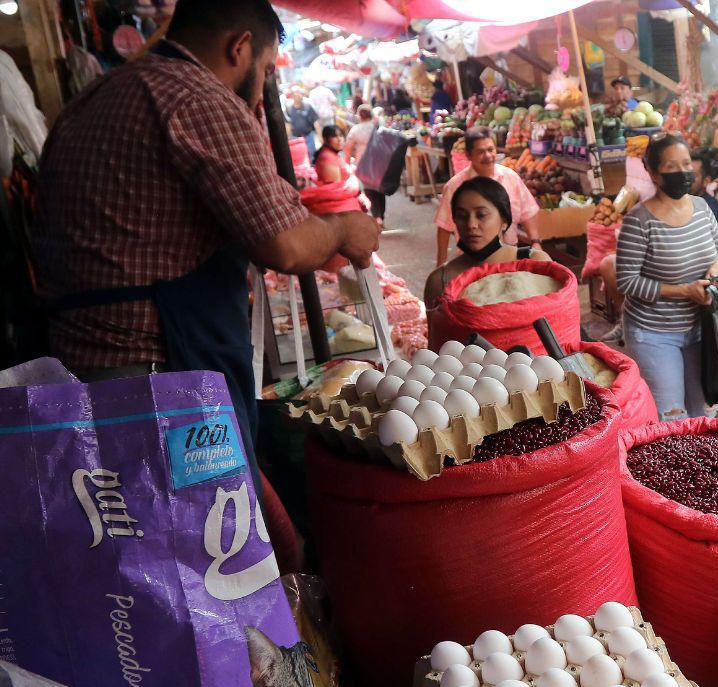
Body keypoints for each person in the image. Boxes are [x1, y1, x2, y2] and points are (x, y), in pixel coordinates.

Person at [32, 0, 381, 459]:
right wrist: (343, 229)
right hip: (156, 376)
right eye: (266, 68)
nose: (263, 87)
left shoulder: (98, 94)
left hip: (76, 371)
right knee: (198, 525)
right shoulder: (199, 99)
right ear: (240, 48)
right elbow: (289, 246)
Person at [615, 132, 718, 421]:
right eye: (671, 167)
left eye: (686, 164)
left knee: (703, 413)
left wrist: (717, 270)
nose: (683, 172)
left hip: (702, 327)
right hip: (654, 334)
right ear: (653, 174)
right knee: (673, 416)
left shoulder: (703, 209)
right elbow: (627, 281)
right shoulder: (639, 221)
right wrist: (684, 291)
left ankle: (702, 465)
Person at [423, 176, 550, 308]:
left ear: (505, 221)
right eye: (462, 216)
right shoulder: (439, 281)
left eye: (481, 215)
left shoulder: (536, 263)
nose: (471, 224)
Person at [434, 127, 542, 268]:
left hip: (509, 259)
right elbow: (444, 226)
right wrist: (441, 265)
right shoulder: (455, 186)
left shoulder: (511, 178)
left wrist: (535, 242)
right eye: (480, 152)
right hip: (471, 262)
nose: (487, 156)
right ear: (468, 155)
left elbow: (527, 212)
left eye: (490, 150)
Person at [285, 89, 320, 158]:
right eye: (295, 95)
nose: (298, 97)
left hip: (308, 136)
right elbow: (288, 124)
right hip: (296, 138)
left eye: (300, 95)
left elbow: (316, 122)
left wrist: (320, 136)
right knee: (300, 157)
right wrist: (288, 138)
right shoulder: (289, 109)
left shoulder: (308, 107)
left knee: (312, 156)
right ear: (293, 97)